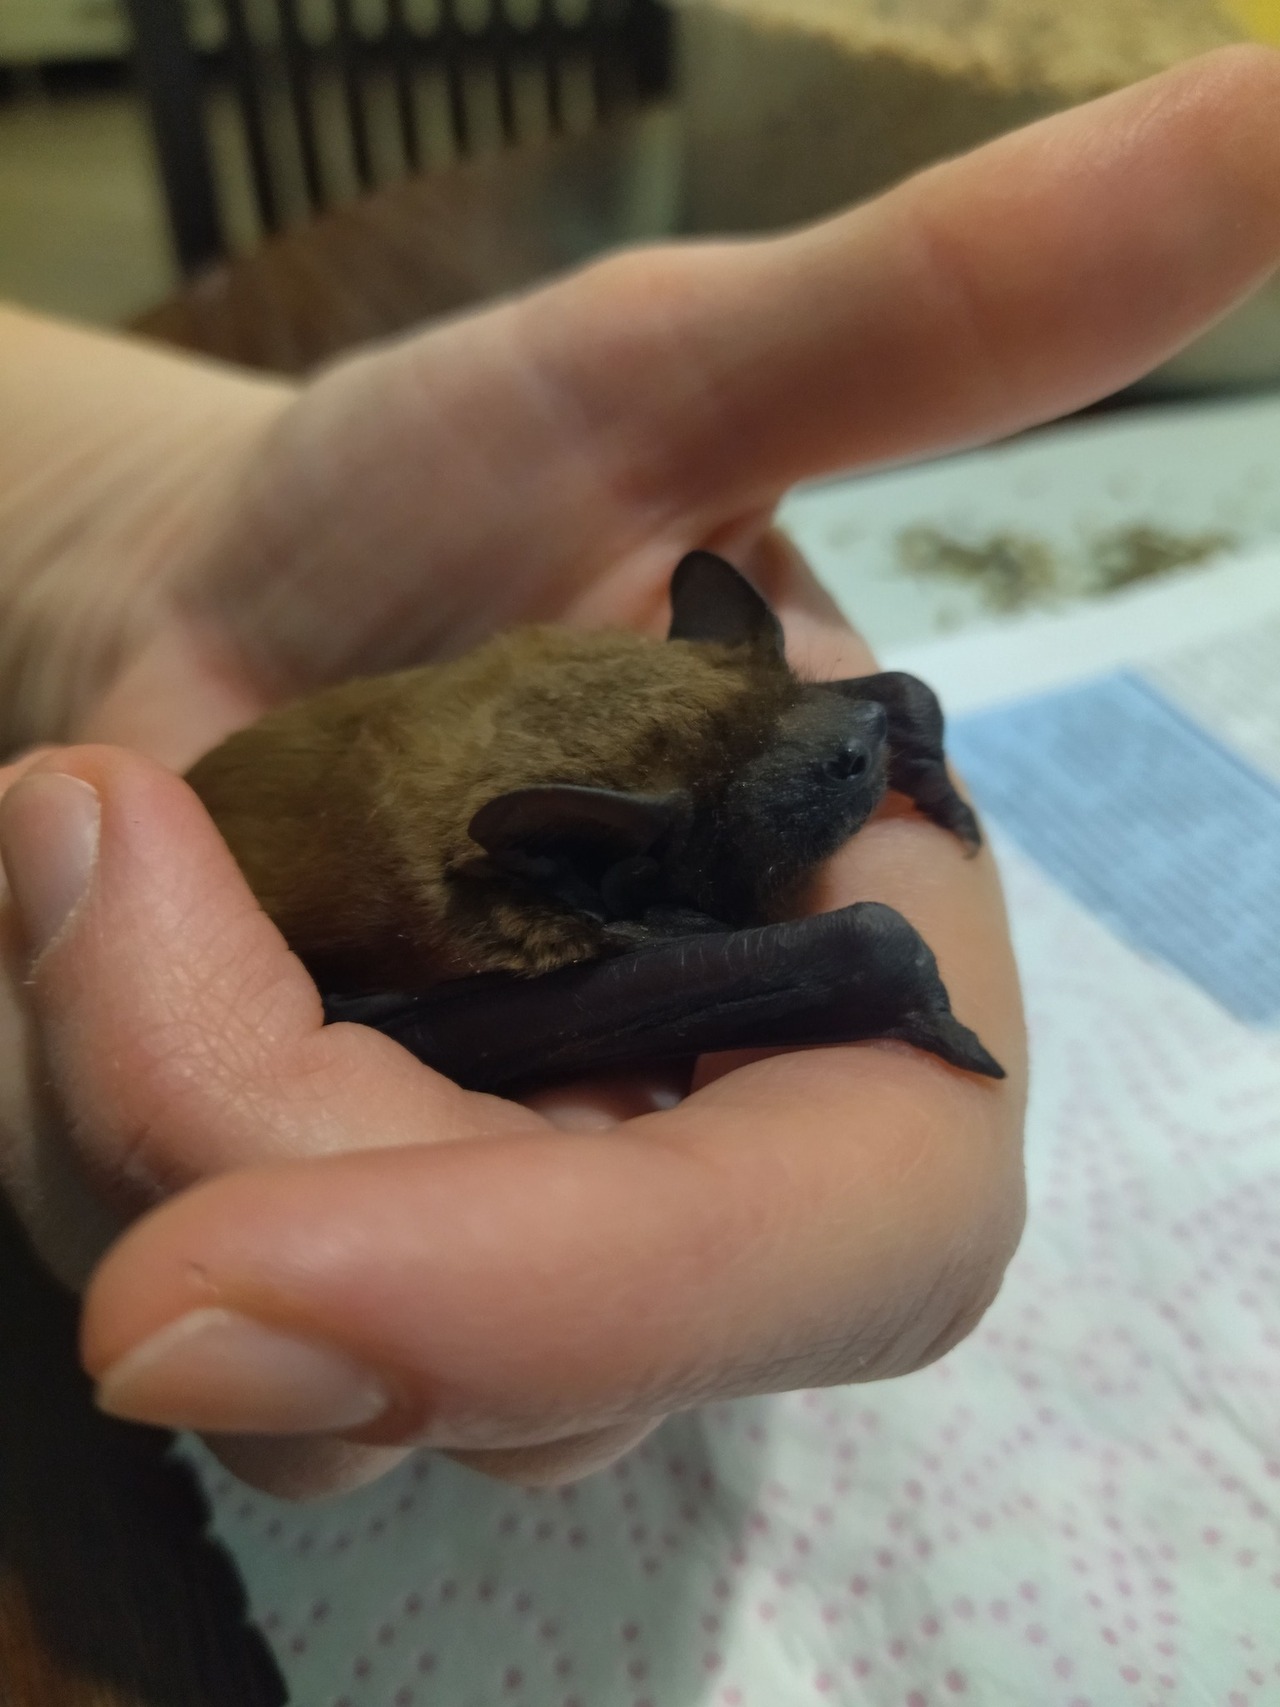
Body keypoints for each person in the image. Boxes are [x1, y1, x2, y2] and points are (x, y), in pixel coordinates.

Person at [0, 47, 1276, 1502]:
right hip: (342, 878)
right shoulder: (496, 910)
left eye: (784, 699)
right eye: (775, 770)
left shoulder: (605, 719)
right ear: (603, 867)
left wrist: (143, 512)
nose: (852, 737)